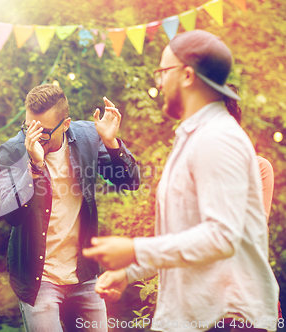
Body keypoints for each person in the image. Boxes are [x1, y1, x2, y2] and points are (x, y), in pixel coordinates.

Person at [83, 30, 280, 331]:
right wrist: (131, 270)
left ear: (187, 75)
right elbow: (185, 234)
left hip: (226, 318)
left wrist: (135, 249)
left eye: (162, 71)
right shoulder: (192, 139)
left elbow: (221, 237)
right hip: (195, 317)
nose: (158, 82)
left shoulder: (218, 138)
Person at [0, 83, 140, 331]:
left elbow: (130, 181)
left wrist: (111, 143)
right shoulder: (13, 150)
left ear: (65, 124)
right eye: (28, 127)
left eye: (42, 132)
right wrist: (34, 168)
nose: (33, 137)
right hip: (37, 279)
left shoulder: (86, 137)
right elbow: (10, 214)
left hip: (83, 274)